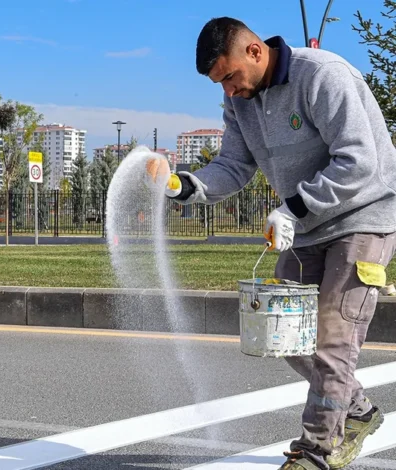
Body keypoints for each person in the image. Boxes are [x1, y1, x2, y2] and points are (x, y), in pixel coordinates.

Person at [146, 16, 396, 470]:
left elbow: (360, 161)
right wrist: (182, 185)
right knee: (284, 334)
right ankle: (356, 410)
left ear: (255, 52)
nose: (227, 91)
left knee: (334, 337)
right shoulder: (241, 103)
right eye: (218, 84)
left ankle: (315, 451)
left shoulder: (322, 75)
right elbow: (233, 166)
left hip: (364, 219)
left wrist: (293, 207)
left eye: (229, 77)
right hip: (306, 227)